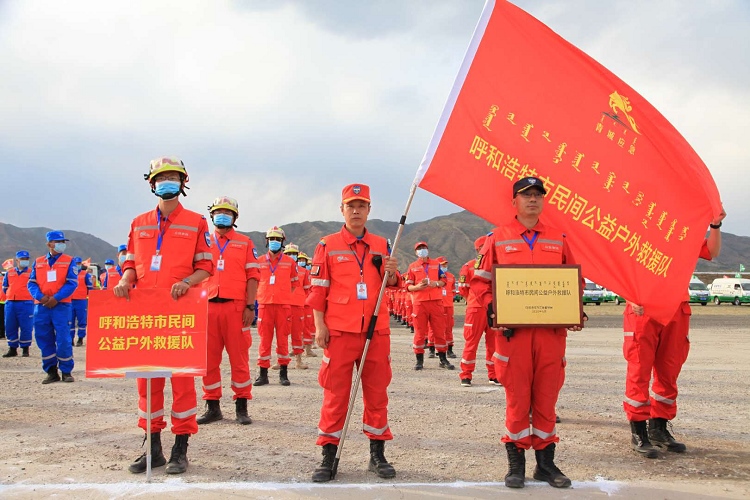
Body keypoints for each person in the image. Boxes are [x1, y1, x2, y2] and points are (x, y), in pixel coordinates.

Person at [472, 177, 585, 489]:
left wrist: (575, 310)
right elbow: (480, 281)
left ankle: (546, 465)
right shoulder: (497, 238)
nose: (533, 200)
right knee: (518, 399)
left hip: (551, 335)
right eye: (526, 195)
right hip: (514, 335)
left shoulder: (559, 239)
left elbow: (574, 281)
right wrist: (493, 309)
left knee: (547, 398)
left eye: (538, 195)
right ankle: (516, 463)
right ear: (514, 202)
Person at [112, 156, 214, 475]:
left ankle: (180, 449)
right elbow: (131, 263)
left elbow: (206, 267)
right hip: (147, 317)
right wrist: (124, 280)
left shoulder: (196, 222)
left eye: (173, 177)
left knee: (182, 383)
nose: (166, 182)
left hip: (181, 315)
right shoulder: (139, 222)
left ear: (183, 183)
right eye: (161, 178)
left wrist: (187, 282)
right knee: (147, 383)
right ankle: (152, 448)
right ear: (151, 183)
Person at [307, 183, 401, 482]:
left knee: (377, 393)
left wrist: (392, 272)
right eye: (351, 205)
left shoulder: (382, 244)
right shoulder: (328, 244)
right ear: (342, 209)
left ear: (369, 210)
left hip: (376, 331)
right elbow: (318, 290)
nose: (356, 210)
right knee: (336, 395)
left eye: (362, 205)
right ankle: (328, 455)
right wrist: (320, 326)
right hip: (339, 331)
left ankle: (377, 455)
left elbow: (392, 283)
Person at [623, 208, 726, 458]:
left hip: (676, 309)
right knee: (639, 370)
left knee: (669, 371)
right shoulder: (633, 231)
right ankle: (638, 431)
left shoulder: (682, 234)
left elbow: (711, 251)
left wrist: (714, 225)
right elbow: (617, 268)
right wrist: (628, 296)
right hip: (643, 310)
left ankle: (659, 427)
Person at [196, 196, 259, 426]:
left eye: (228, 213)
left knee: (239, 359)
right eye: (218, 212)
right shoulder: (202, 241)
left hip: (236, 308)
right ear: (212, 215)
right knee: (208, 360)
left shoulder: (245, 242)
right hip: (207, 307)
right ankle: (212, 407)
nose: (223, 216)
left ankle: (242, 407)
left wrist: (250, 306)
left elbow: (253, 276)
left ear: (235, 217)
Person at [27, 231, 78, 383]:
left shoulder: (69, 261)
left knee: (63, 338)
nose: (61, 244)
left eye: (63, 242)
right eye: (58, 242)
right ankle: (51, 371)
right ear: (49, 244)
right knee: (43, 338)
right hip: (42, 306)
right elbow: (31, 283)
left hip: (61, 306)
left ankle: (66, 371)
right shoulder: (38, 262)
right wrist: (40, 297)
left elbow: (72, 283)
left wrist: (56, 298)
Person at [253, 226, 298, 387]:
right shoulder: (258, 262)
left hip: (283, 306)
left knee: (283, 340)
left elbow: (294, 284)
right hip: (264, 306)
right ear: (267, 241)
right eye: (271, 239)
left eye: (277, 239)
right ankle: (263, 375)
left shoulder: (290, 262)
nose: (274, 242)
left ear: (282, 242)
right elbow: (254, 282)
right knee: (264, 341)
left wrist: (282, 295)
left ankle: (283, 374)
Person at [458, 236, 501, 387]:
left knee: (494, 344)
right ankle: (466, 374)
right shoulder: (469, 267)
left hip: (493, 308)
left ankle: (494, 374)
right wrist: (474, 300)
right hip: (475, 309)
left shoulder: (499, 265)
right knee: (471, 343)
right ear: (478, 250)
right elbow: (463, 289)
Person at [406, 242, 452, 370]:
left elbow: (444, 281)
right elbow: (407, 286)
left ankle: (443, 359)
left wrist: (435, 284)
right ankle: (419, 360)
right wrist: (417, 287)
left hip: (436, 302)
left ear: (428, 249)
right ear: (416, 252)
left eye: (424, 248)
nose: (422, 250)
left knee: (439, 331)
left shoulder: (436, 264)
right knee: (419, 332)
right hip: (420, 303)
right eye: (419, 249)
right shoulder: (412, 267)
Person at [2, 250, 35, 358]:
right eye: (22, 259)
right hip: (11, 303)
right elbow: (5, 287)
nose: (25, 261)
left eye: (26, 259)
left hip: (26, 303)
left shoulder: (32, 273)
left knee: (26, 326)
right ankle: (12, 349)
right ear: (17, 260)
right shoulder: (10, 272)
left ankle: (25, 349)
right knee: (10, 325)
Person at [282, 243, 309, 370]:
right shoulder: (279, 269)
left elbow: (307, 289)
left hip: (297, 306)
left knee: (297, 334)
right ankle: (281, 361)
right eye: (288, 254)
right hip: (283, 305)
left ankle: (299, 361)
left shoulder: (304, 271)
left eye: (293, 254)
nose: (291, 256)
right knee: (282, 334)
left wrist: (301, 300)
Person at [69, 256, 94, 347]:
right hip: (70, 301)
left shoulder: (85, 274)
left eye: (79, 263)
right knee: (70, 321)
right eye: (76, 263)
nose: (77, 265)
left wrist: (89, 298)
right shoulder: (69, 273)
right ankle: (71, 339)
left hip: (81, 301)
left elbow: (90, 288)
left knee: (81, 320)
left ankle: (80, 338)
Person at [298, 251, 318, 358]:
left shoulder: (308, 273)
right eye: (299, 259)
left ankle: (308, 349)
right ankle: (297, 348)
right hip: (297, 303)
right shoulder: (294, 271)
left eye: (303, 260)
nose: (301, 261)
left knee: (309, 326)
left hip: (307, 303)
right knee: (297, 328)